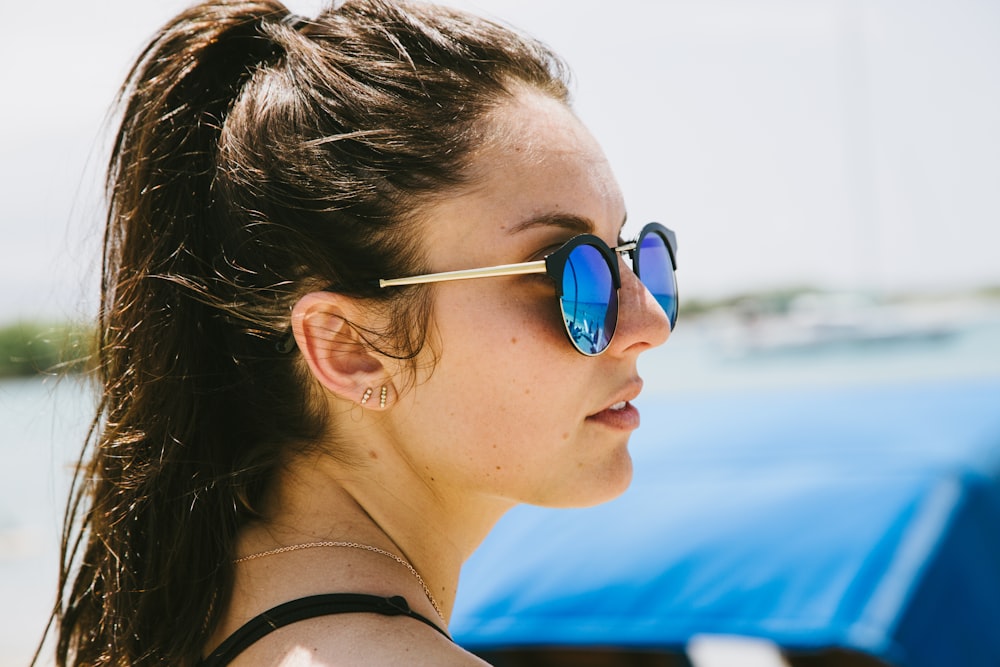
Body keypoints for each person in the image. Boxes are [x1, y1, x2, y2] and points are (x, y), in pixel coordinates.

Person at [48, 0, 678, 665]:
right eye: (568, 272)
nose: (650, 323)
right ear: (350, 349)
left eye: (631, 258)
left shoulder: (216, 606)